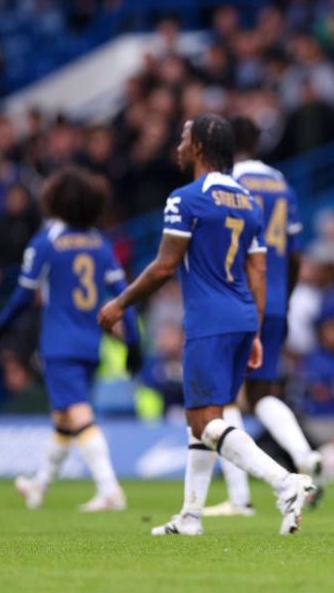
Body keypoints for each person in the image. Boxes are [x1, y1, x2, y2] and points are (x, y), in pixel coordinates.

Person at [98, 115, 314, 536]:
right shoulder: (248, 201)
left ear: (198, 147)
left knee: (204, 421)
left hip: (208, 319)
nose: (178, 145)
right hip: (241, 315)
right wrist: (253, 330)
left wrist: (120, 303)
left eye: (182, 138)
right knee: (204, 420)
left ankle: (284, 482)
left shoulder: (186, 198)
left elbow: (163, 267)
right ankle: (191, 516)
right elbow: (258, 270)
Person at [0, 166, 141, 512]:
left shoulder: (46, 243)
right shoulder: (100, 244)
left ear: (54, 201)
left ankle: (109, 489)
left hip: (59, 344)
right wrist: (134, 344)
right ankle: (38, 487)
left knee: (77, 415)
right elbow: (125, 297)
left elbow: (22, 296)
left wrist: (1, 327)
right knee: (62, 419)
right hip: (91, 345)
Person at [203, 115, 323, 518]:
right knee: (264, 392)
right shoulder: (281, 184)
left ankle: (239, 499)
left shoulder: (227, 183)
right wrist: (283, 301)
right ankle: (304, 454)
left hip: (237, 299)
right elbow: (295, 252)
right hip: (274, 300)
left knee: (226, 396)